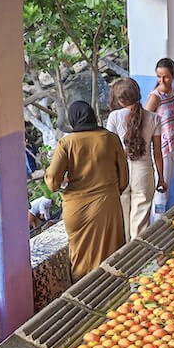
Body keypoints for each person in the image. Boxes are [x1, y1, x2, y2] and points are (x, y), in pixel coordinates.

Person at [45, 101, 129, 278]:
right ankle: (112, 296)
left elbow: (52, 180)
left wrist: (64, 181)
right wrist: (110, 192)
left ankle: (82, 297)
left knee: (81, 258)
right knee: (111, 255)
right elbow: (124, 179)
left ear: (73, 120)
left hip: (76, 210)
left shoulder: (67, 143)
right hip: (107, 205)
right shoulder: (110, 139)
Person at [107, 77, 166, 240]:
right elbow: (157, 153)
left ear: (120, 100)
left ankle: (122, 261)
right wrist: (161, 178)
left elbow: (110, 149)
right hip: (144, 172)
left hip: (120, 172)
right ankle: (136, 261)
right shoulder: (155, 118)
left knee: (123, 221)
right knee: (140, 225)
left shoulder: (114, 117)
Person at [144, 59, 174, 199]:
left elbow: (168, 120)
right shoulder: (155, 97)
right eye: (159, 76)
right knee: (161, 190)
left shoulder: (173, 92)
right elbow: (144, 122)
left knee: (166, 186)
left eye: (166, 77)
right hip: (163, 149)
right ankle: (158, 219)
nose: (162, 80)